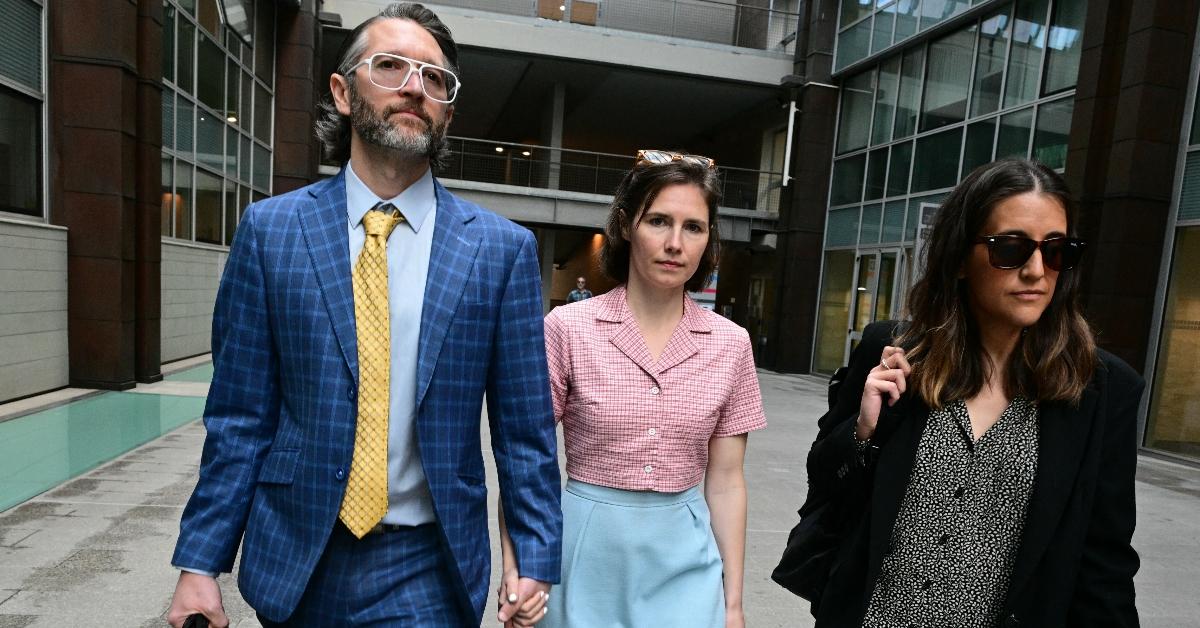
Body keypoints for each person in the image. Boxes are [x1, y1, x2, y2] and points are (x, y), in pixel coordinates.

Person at [165, 4, 561, 626]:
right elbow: (240, 416)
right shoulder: (270, 233)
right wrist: (200, 563)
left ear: (448, 112)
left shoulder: (500, 251)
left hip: (428, 563)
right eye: (392, 66)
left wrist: (533, 557)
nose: (414, 86)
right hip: (297, 553)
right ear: (343, 92)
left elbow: (525, 433)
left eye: (435, 79)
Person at [806, 159, 1142, 627]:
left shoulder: (1102, 389)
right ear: (961, 257)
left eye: (1056, 250)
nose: (1036, 270)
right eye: (1011, 248)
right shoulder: (895, 355)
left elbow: (1105, 561)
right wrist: (862, 432)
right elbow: (825, 490)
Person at [500, 150, 767, 628]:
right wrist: (518, 567)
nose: (674, 243)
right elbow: (526, 461)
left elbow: (727, 482)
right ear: (625, 225)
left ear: (709, 240)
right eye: (658, 221)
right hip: (583, 551)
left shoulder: (731, 344)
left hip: (686, 561)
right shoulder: (568, 328)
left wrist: (733, 602)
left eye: (693, 227)